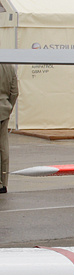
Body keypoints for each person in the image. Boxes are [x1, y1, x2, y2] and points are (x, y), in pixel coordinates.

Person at [0, 62, 15, 194]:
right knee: (4, 147)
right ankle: (3, 183)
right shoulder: (9, 66)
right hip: (4, 110)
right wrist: (8, 107)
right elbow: (14, 92)